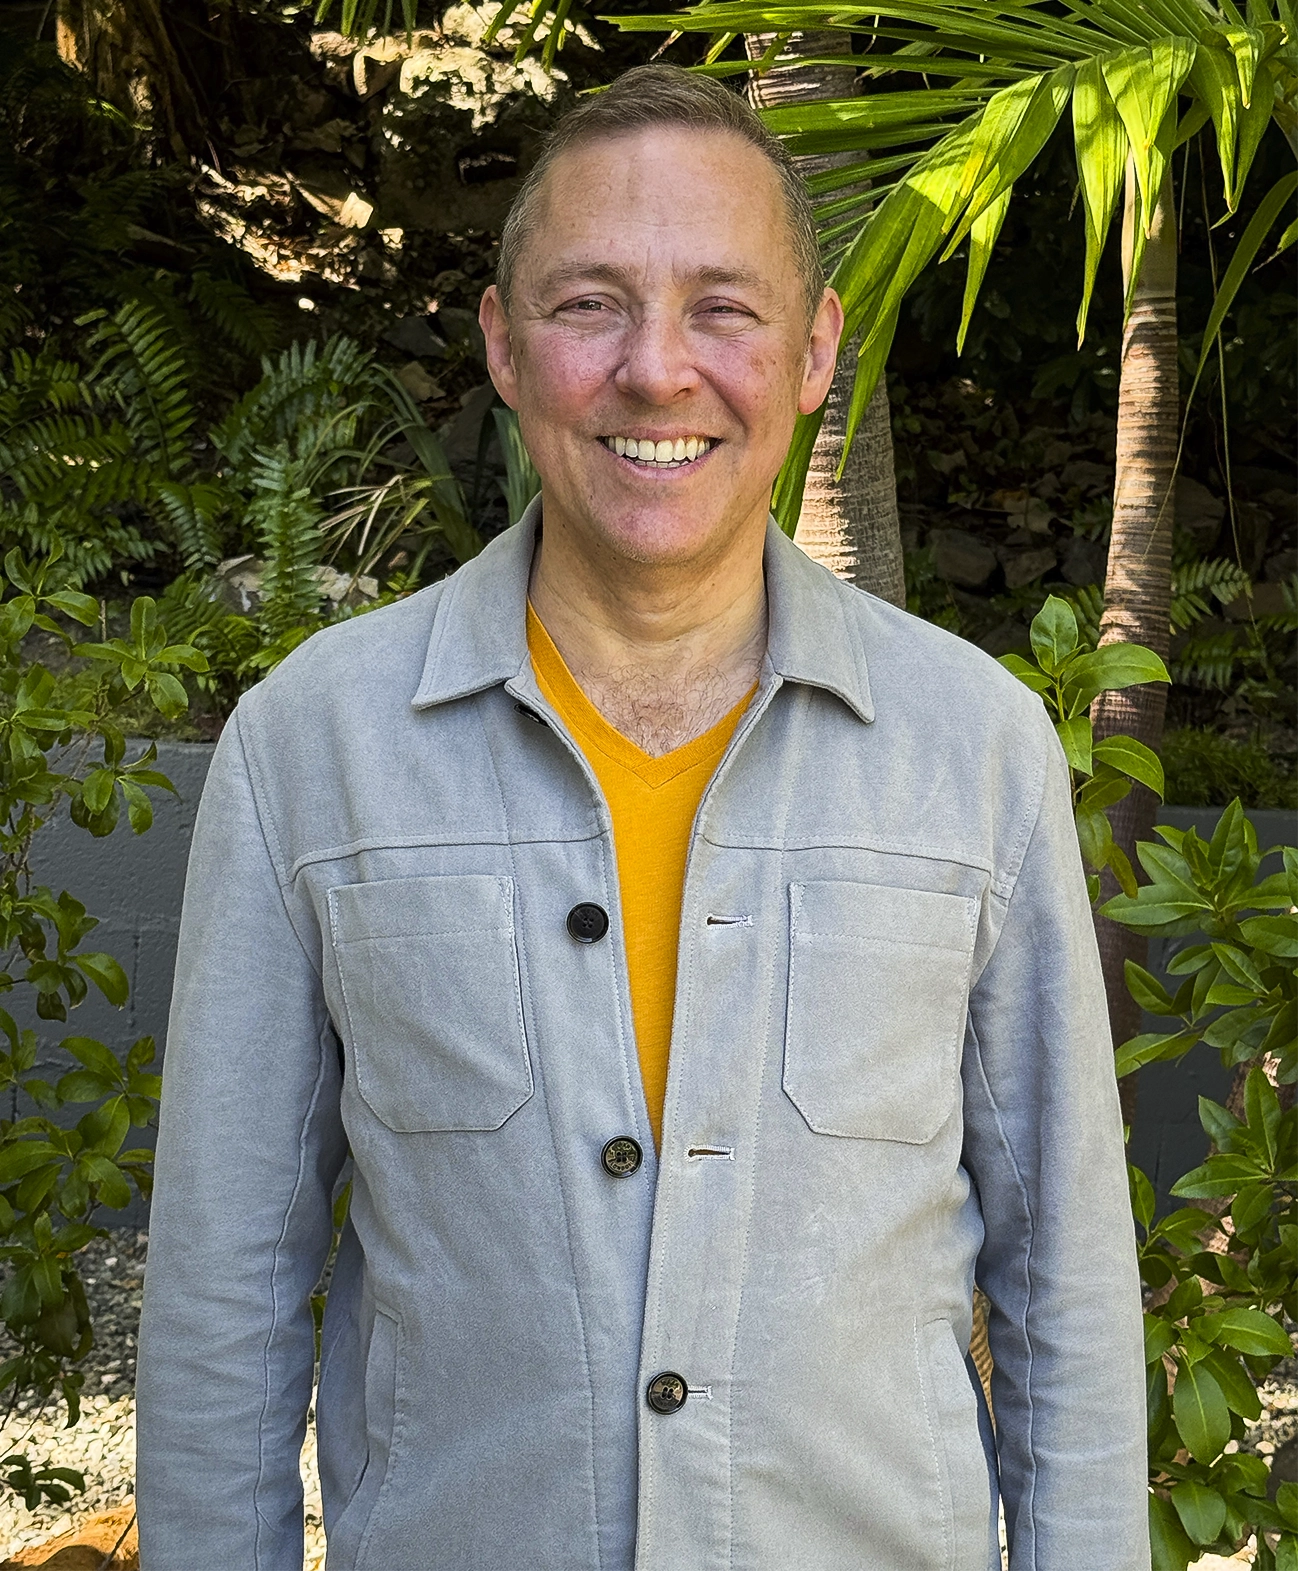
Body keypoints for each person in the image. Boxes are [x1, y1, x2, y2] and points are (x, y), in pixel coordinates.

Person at [136, 63, 1147, 1571]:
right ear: (501, 345)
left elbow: (1062, 1289)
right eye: (588, 303)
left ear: (813, 352)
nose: (656, 370)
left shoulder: (974, 752)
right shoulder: (313, 750)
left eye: (723, 309)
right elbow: (225, 1291)